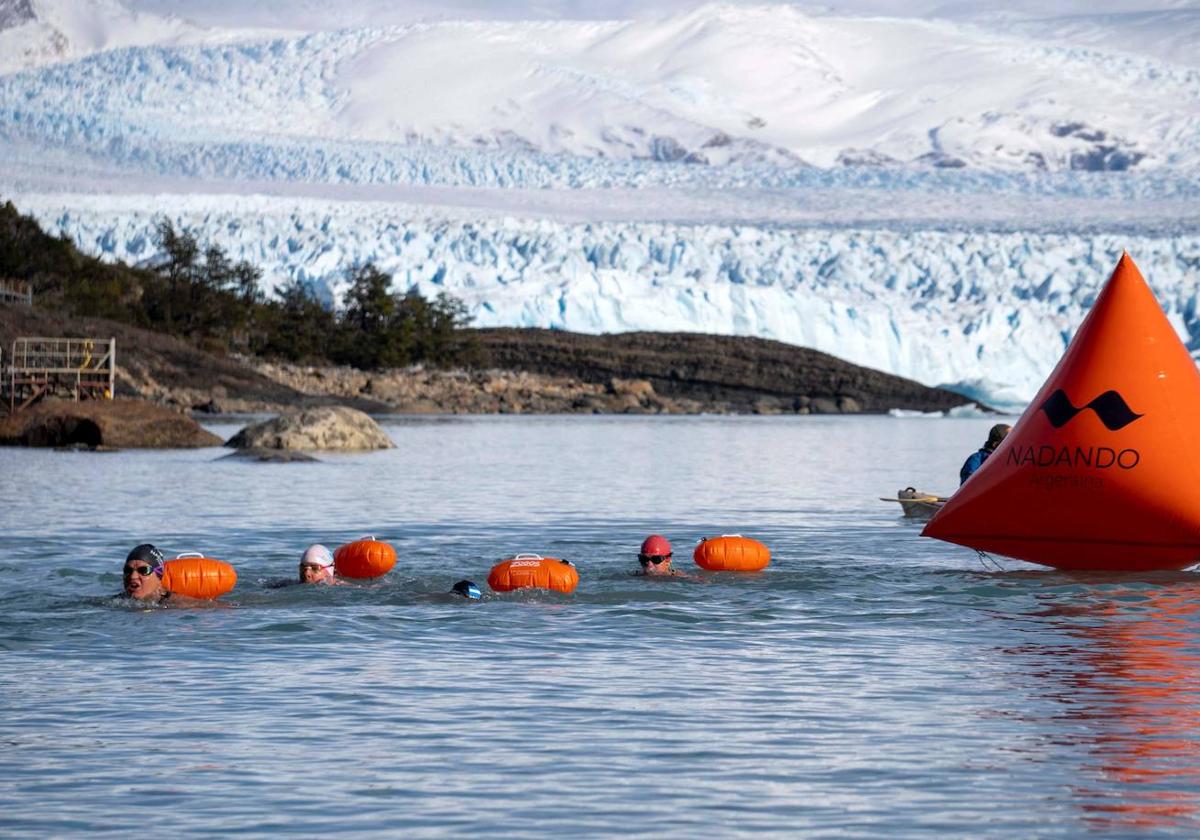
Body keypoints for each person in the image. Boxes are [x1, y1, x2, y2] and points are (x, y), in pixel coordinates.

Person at [120, 543, 203, 606]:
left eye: (143, 570)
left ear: (159, 576)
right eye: (128, 570)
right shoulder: (117, 601)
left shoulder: (178, 603)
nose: (132, 576)